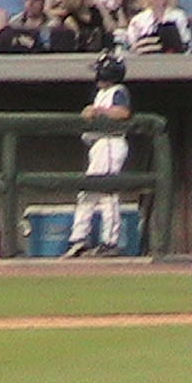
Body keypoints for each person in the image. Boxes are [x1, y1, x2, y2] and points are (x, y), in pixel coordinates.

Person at [63, 52, 132, 258]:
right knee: (88, 192)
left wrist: (98, 111)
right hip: (98, 145)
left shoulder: (119, 90)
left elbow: (123, 113)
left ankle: (110, 242)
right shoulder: (102, 93)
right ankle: (79, 239)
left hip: (111, 143)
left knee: (106, 193)